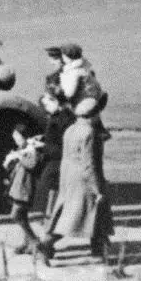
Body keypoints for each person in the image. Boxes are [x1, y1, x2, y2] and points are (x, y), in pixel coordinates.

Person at [42, 96, 112, 261]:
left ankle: (99, 249)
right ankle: (46, 244)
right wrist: (96, 189)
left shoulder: (70, 130)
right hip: (84, 179)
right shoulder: (89, 133)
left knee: (78, 213)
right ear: (94, 114)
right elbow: (89, 164)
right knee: (77, 216)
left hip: (69, 178)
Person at [3, 126, 49, 258]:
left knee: (16, 215)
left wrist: (19, 157)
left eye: (17, 136)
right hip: (18, 187)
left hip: (25, 188)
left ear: (23, 136)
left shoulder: (32, 148)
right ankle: (27, 243)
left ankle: (35, 243)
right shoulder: (23, 149)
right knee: (22, 215)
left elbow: (33, 164)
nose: (15, 139)